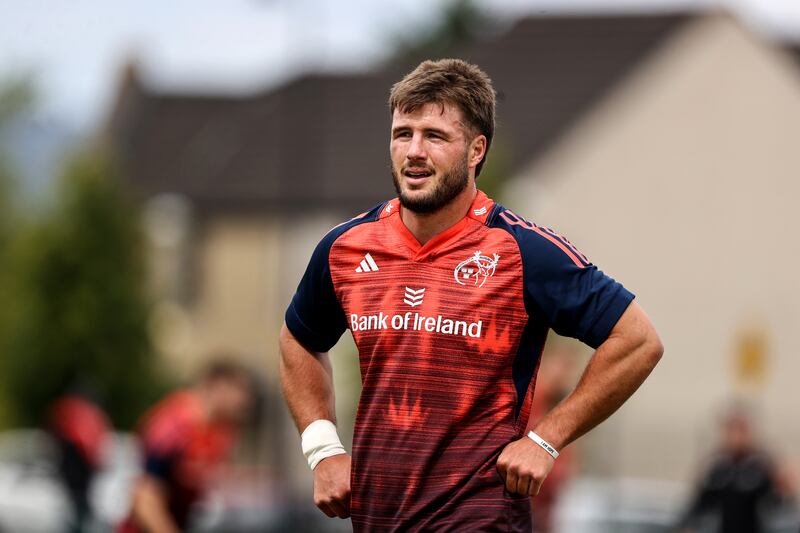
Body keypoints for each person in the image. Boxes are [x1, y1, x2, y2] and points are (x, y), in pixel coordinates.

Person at [280, 58, 663, 532]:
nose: (414, 151)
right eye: (403, 133)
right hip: (378, 519)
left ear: (476, 150)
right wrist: (323, 451)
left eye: (434, 136)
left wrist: (546, 440)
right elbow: (298, 340)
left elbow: (637, 340)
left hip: (480, 517)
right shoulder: (345, 248)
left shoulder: (524, 252)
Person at [118, 360, 254, 533]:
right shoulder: (172, 425)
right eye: (240, 390)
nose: (246, 401)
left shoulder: (222, 432)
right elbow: (145, 500)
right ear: (216, 386)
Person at [678, 405, 786, 533]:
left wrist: (782, 488)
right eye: (731, 430)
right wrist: (688, 525)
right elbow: (700, 504)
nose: (736, 437)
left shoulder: (761, 467)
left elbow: (775, 505)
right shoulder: (718, 468)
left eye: (741, 431)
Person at [48, 394, 111, 533]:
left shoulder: (76, 417)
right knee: (81, 510)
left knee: (79, 511)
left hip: (78, 473)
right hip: (82, 473)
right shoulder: (89, 417)